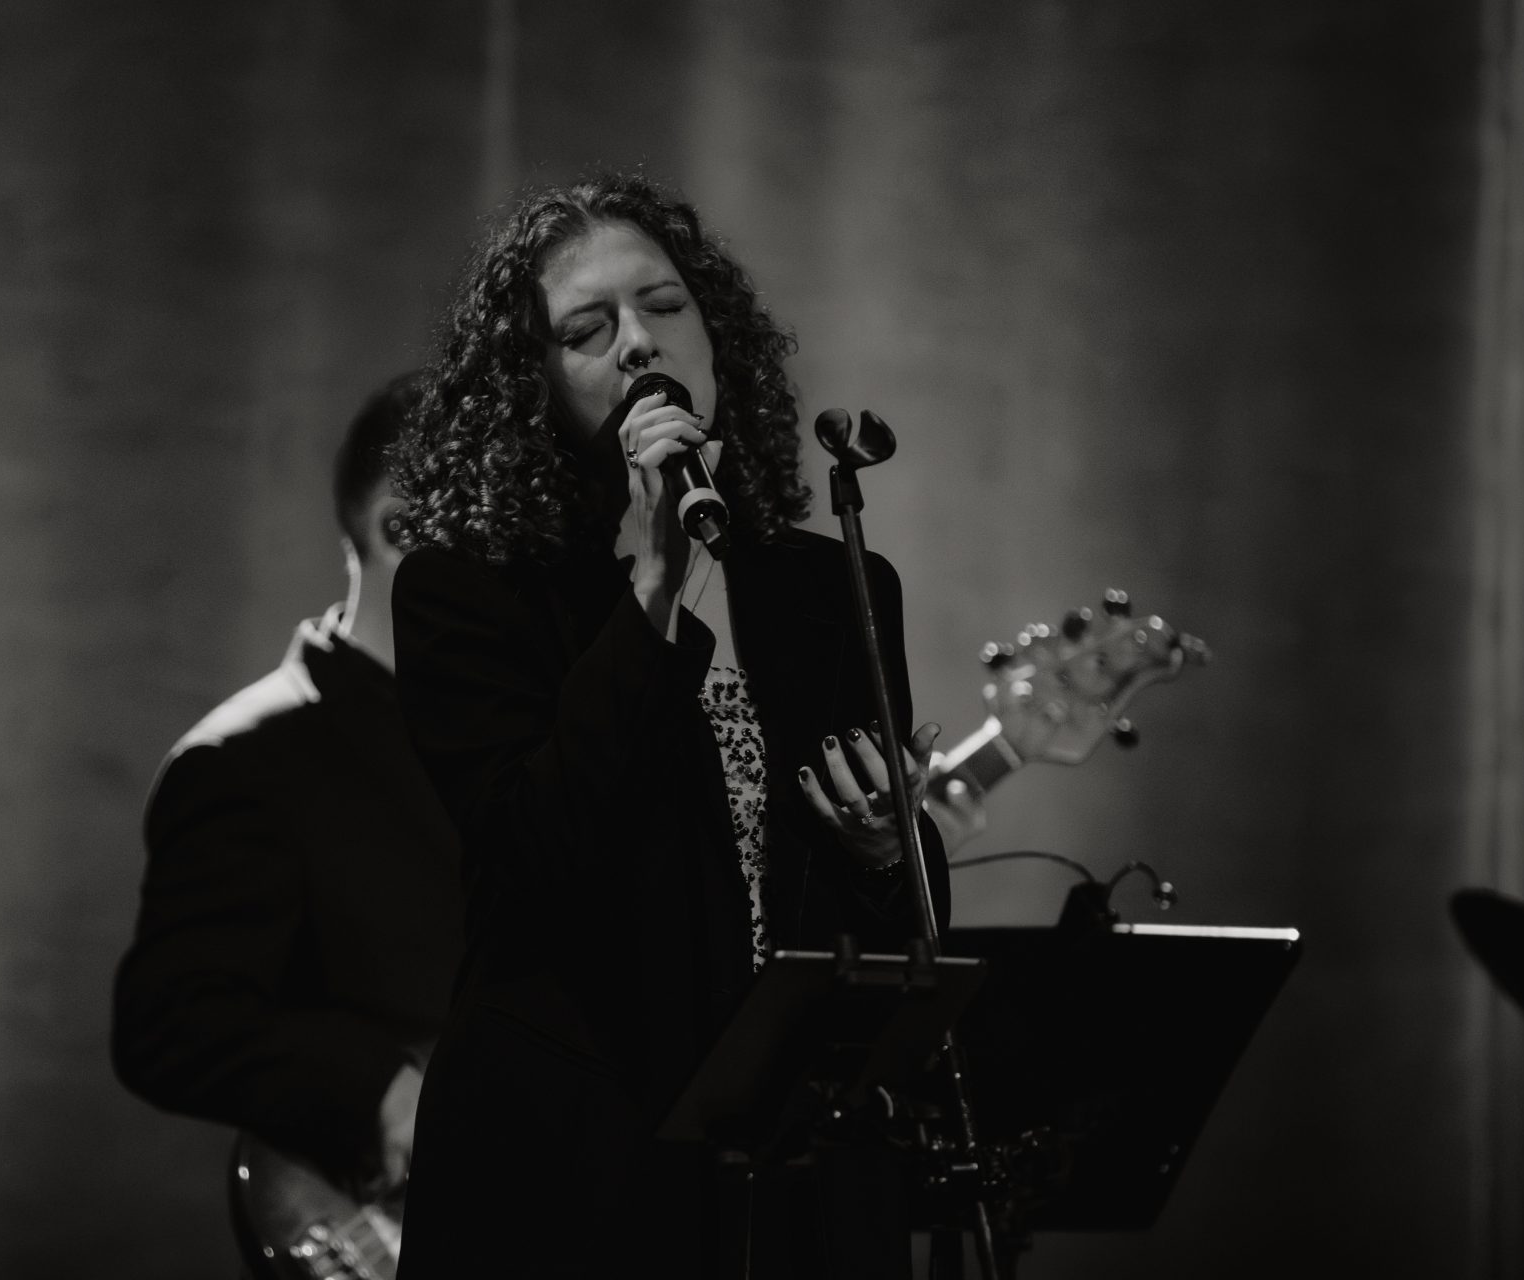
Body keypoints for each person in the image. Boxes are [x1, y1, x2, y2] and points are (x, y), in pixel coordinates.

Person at [388, 173, 950, 1279]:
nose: (641, 343)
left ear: (717, 335)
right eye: (587, 330)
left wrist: (890, 849)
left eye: (664, 304)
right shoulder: (469, 591)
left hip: (790, 1164)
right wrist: (651, 589)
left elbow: (900, 920)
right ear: (532, 384)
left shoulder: (832, 586)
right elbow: (529, 853)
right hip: (575, 1167)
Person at [111, 375, 462, 1215]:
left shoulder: (521, 742)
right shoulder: (245, 759)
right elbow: (172, 1024)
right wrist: (383, 1092)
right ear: (400, 529)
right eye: (508, 527)